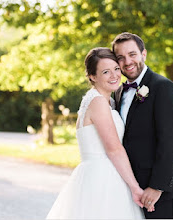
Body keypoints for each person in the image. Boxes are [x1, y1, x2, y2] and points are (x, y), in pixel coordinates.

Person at [46, 47, 147, 219]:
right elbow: (114, 149)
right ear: (93, 76)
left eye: (116, 69)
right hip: (103, 178)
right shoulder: (98, 102)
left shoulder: (103, 101)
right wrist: (135, 187)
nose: (114, 75)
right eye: (106, 72)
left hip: (101, 173)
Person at [112, 32, 173, 219]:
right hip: (130, 188)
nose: (127, 61)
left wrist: (157, 186)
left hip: (160, 192)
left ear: (143, 54)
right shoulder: (118, 92)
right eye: (120, 57)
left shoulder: (163, 87)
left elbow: (171, 142)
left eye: (132, 54)